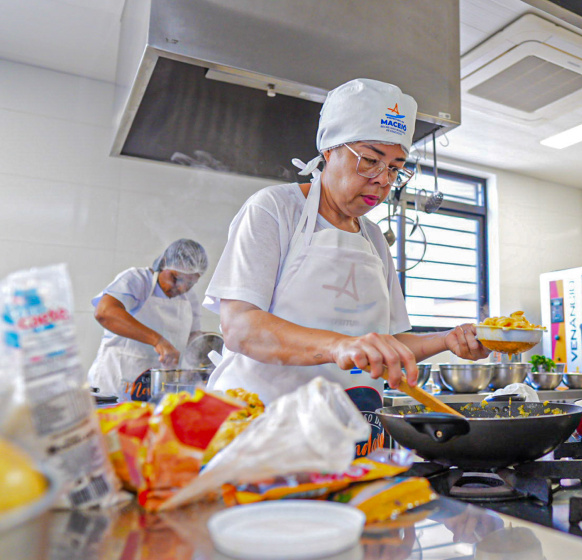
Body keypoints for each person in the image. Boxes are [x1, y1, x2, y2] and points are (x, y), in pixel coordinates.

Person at [204, 78, 490, 456]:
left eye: (395, 168)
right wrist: (339, 345)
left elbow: (388, 343)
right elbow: (240, 327)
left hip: (352, 437)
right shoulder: (274, 209)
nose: (382, 180)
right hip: (266, 434)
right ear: (329, 149)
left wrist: (447, 340)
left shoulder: (373, 238)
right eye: (370, 161)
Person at [87, 239, 208, 400]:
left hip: (156, 391)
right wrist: (158, 341)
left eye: (190, 283)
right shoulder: (137, 280)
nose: (181, 288)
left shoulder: (189, 299)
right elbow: (105, 312)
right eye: (176, 278)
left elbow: (193, 339)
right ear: (164, 263)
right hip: (114, 386)